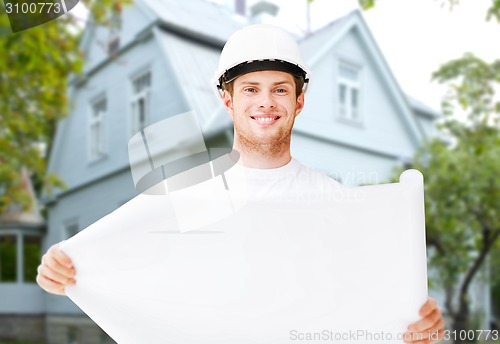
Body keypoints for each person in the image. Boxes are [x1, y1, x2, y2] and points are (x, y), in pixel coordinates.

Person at [37, 24, 445, 343]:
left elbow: (366, 302)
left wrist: (412, 325)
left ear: (299, 102)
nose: (265, 103)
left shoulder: (334, 204)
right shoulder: (185, 199)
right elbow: (129, 266)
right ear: (228, 100)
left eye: (280, 90)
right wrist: (64, 269)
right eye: (250, 89)